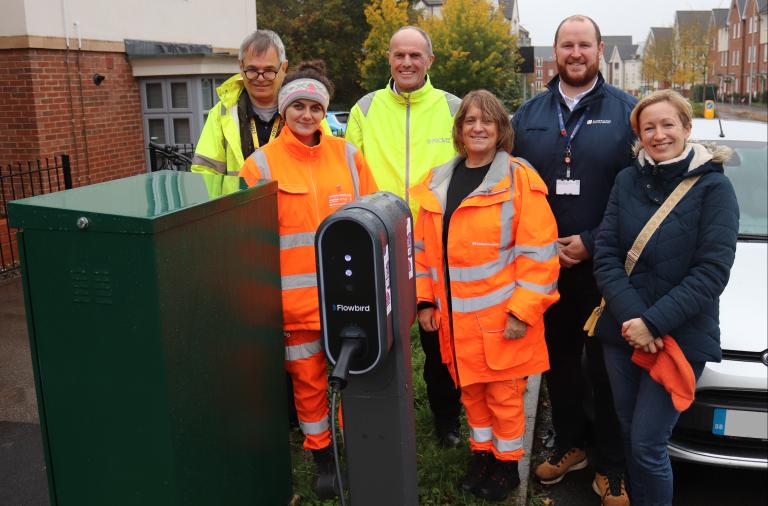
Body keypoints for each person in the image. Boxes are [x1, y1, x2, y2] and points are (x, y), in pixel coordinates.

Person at [412, 90, 560, 501]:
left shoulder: (519, 180)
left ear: (501, 130)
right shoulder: (438, 180)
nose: (478, 128)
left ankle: (507, 466)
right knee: (472, 394)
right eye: (469, 121)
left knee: (505, 399)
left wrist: (523, 311)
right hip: (456, 323)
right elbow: (423, 251)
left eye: (487, 121)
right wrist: (425, 300)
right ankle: (483, 456)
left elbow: (540, 255)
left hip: (504, 321)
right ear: (458, 130)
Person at [511, 14, 635, 506]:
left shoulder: (627, 113)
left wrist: (592, 238)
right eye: (567, 45)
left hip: (605, 266)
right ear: (554, 53)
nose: (576, 53)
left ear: (600, 50)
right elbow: (511, 189)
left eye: (585, 44)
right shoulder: (528, 116)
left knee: (606, 368)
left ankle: (612, 463)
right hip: (545, 269)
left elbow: (640, 197)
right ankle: (570, 444)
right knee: (558, 362)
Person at [239, 60, 378, 499]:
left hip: (347, 299)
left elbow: (373, 216)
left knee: (354, 378)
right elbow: (251, 244)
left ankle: (355, 447)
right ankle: (322, 455)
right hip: (294, 306)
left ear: (324, 112)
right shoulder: (259, 165)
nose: (306, 115)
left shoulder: (349, 157)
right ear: (284, 111)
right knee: (309, 382)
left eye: (314, 107)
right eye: (297, 106)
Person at [593, 89, 739, 506]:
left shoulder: (714, 190)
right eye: (648, 128)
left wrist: (653, 324)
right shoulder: (626, 181)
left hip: (679, 336)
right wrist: (636, 320)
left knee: (647, 444)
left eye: (668, 124)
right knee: (627, 433)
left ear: (687, 128)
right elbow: (605, 257)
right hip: (623, 331)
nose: (659, 135)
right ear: (639, 135)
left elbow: (711, 272)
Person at [346, 25, 463, 448]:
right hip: (379, 241)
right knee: (380, 334)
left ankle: (447, 419)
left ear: (430, 60)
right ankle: (378, 420)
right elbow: (350, 172)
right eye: (400, 55)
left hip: (435, 242)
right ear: (390, 60)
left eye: (416, 55)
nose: (408, 62)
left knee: (436, 338)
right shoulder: (365, 108)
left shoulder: (452, 107)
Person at [191, 29, 329, 192]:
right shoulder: (222, 114)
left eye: (269, 71)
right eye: (252, 70)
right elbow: (205, 175)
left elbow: (325, 167)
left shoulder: (306, 113)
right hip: (240, 212)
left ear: (284, 67)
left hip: (293, 213)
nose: (261, 78)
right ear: (241, 66)